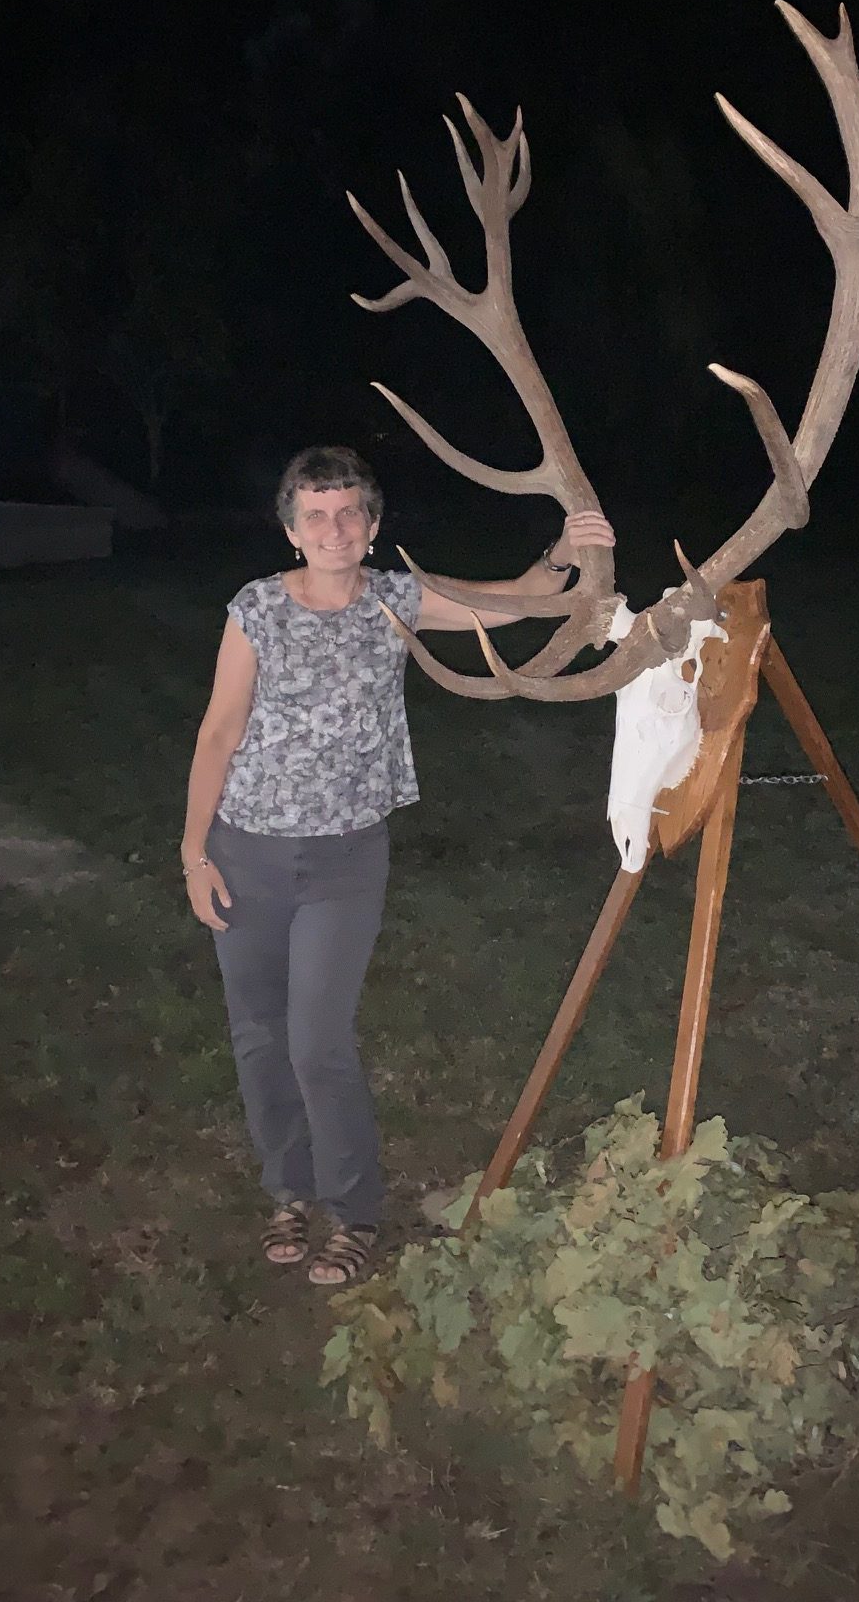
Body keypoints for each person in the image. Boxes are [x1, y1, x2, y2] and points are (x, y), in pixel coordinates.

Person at [180, 444, 615, 1287]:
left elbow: (520, 601)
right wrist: (194, 852)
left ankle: (351, 1211)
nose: (334, 528)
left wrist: (566, 553)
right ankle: (287, 1190)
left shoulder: (395, 601)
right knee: (259, 1037)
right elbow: (217, 732)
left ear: (373, 527)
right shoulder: (257, 610)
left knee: (317, 1041)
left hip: (345, 861)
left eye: (349, 513)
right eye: (316, 515)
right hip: (247, 851)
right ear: (291, 529)